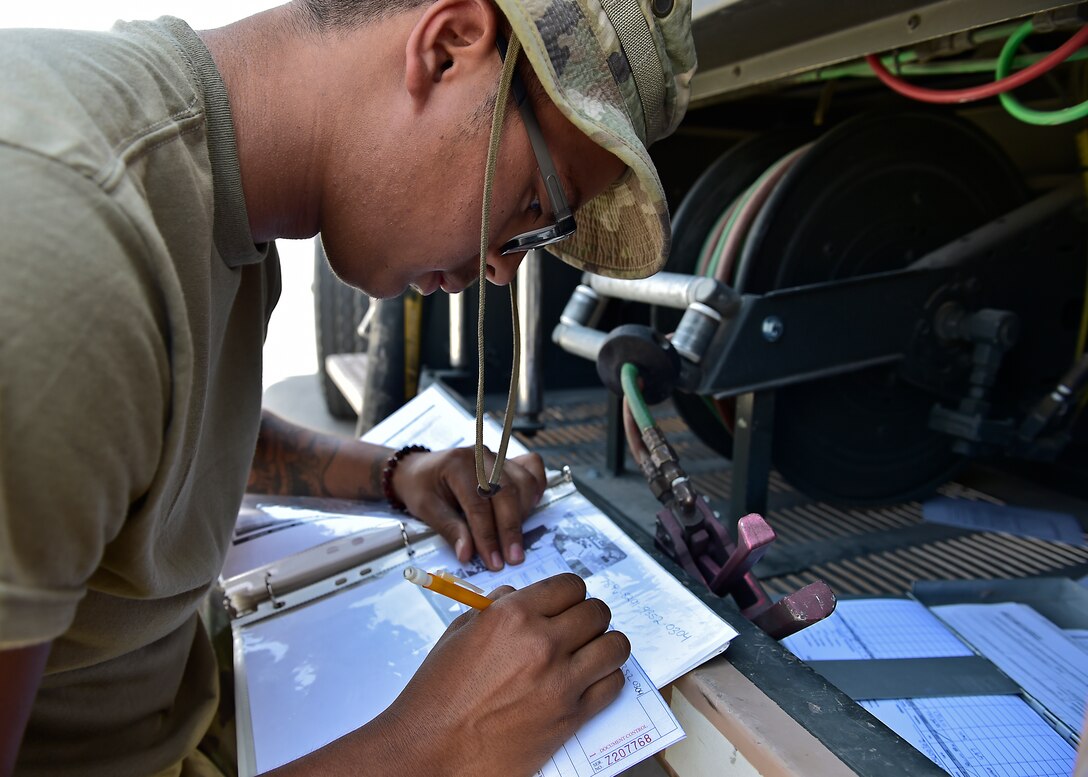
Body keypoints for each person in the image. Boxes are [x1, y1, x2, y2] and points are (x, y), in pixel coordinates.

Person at [0, 0, 696, 774]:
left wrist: (396, 475)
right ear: (448, 46)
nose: (504, 265)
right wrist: (437, 745)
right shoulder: (60, 252)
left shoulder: (205, 204)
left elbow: (147, 428)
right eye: (537, 204)